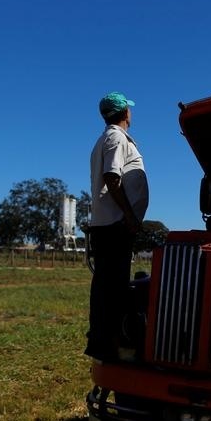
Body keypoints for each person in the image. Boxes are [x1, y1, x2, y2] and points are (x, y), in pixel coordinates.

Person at [86, 92, 149, 362]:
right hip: (114, 226)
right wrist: (130, 216)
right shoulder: (115, 138)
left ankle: (110, 343)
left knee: (110, 287)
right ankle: (110, 346)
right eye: (129, 110)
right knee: (111, 290)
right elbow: (112, 177)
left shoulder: (108, 138)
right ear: (125, 112)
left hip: (112, 226)